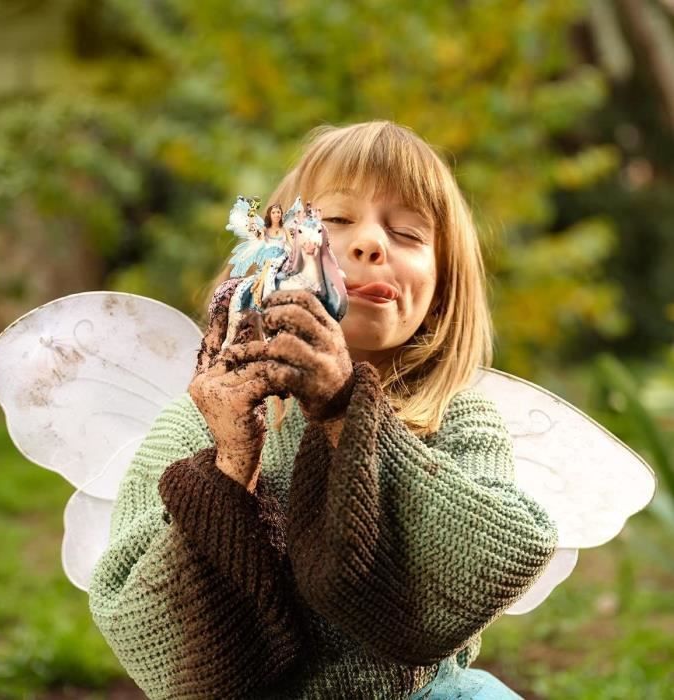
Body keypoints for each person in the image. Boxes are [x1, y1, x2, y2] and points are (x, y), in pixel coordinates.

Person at [88, 120, 558, 699]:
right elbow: (140, 628)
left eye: (408, 232)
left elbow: (493, 561)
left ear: (442, 292)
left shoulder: (454, 416)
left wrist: (344, 409)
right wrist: (231, 467)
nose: (369, 244)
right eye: (334, 221)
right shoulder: (195, 423)